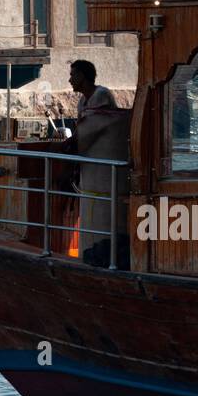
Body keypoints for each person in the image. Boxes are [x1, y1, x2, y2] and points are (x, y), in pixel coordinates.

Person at [65, 59, 130, 266]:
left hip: (104, 165)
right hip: (90, 170)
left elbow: (92, 128)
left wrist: (69, 144)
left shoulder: (101, 95)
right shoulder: (83, 101)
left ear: (83, 76)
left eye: (73, 75)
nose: (70, 79)